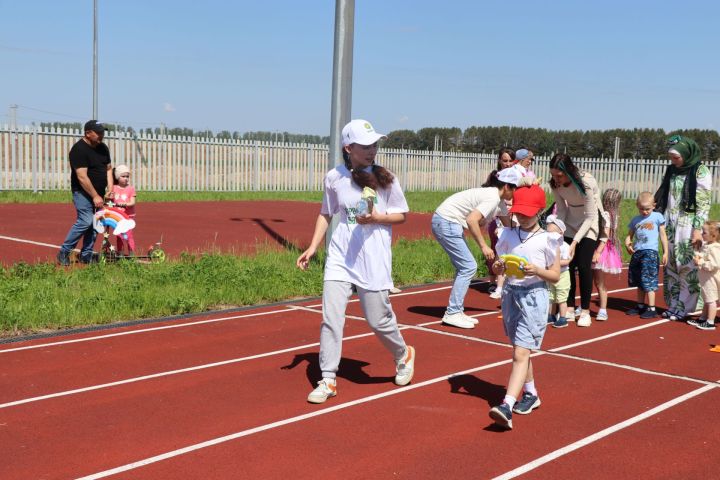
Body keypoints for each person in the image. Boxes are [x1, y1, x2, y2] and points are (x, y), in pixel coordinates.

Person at [296, 119, 415, 404]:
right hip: (340, 256)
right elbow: (326, 213)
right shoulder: (334, 177)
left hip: (372, 257)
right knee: (331, 318)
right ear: (348, 148)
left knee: (378, 319)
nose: (372, 150)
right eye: (365, 146)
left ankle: (403, 353)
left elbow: (402, 215)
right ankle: (327, 379)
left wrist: (377, 218)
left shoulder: (386, 178)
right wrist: (313, 247)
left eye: (374, 144)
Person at [488, 184, 561, 430]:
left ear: (540, 210)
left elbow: (555, 276)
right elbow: (499, 263)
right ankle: (531, 393)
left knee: (520, 352)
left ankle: (506, 405)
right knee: (522, 348)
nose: (521, 217)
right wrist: (498, 268)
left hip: (534, 296)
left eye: (527, 213)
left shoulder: (548, 239)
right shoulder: (508, 235)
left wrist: (537, 270)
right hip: (510, 294)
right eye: (518, 212)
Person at [432, 167, 521, 328]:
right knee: (468, 266)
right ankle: (452, 312)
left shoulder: (498, 201)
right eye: (515, 189)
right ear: (507, 187)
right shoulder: (492, 197)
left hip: (446, 221)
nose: (516, 194)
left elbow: (510, 226)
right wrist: (484, 246)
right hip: (446, 222)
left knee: (465, 267)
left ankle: (456, 311)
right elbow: (472, 220)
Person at [654, 135, 713, 322]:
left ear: (687, 154)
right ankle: (674, 304)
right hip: (671, 222)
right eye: (671, 158)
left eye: (676, 158)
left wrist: (697, 229)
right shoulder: (672, 170)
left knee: (686, 266)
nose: (673, 161)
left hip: (688, 225)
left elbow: (703, 203)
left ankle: (685, 306)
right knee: (671, 265)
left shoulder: (700, 171)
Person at [549, 153, 604, 327]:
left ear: (569, 171)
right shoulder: (555, 184)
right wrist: (557, 230)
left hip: (590, 223)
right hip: (570, 221)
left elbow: (590, 216)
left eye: (559, 175)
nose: (556, 178)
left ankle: (586, 310)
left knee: (583, 265)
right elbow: (562, 210)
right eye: (553, 174)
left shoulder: (586, 183)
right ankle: (570, 307)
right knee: (567, 266)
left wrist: (574, 243)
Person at [57, 120, 113, 265]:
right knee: (86, 220)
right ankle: (64, 252)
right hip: (82, 193)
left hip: (99, 194)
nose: (101, 135)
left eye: (102, 132)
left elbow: (108, 169)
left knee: (95, 224)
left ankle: (86, 255)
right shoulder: (78, 150)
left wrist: (110, 190)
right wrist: (94, 195)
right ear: (88, 133)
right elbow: (81, 176)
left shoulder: (103, 148)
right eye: (98, 132)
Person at [624, 192, 668, 319]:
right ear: (637, 206)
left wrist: (665, 252)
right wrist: (628, 243)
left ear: (654, 206)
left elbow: (663, 235)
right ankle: (640, 305)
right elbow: (629, 235)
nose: (644, 211)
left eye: (647, 209)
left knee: (648, 280)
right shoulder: (636, 220)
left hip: (650, 253)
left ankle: (652, 308)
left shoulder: (657, 217)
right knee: (639, 280)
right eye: (642, 209)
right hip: (638, 253)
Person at [485, 148, 515, 298]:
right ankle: (493, 281)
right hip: (497, 216)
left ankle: (505, 282)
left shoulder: (518, 177)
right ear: (499, 161)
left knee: (510, 249)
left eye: (510, 160)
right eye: (505, 160)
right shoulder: (495, 177)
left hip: (512, 216)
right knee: (495, 249)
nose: (508, 163)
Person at [592, 189, 623, 321]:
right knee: (596, 281)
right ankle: (601, 309)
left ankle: (603, 309)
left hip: (601, 248)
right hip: (604, 248)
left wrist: (598, 251)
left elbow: (606, 234)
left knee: (599, 282)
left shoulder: (606, 215)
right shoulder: (613, 215)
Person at [688, 221, 720, 331]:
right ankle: (703, 318)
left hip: (711, 279)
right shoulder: (707, 245)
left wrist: (700, 263)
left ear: (713, 235)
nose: (701, 234)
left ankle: (710, 322)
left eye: (704, 232)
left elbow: (715, 264)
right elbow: (701, 256)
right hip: (705, 279)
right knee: (707, 299)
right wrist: (696, 250)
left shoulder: (715, 248)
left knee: (711, 300)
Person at [545, 215, 572, 328]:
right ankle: (551, 315)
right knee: (551, 296)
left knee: (561, 297)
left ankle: (562, 318)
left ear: (561, 233)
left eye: (552, 233)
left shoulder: (565, 246)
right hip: (551, 275)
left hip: (562, 275)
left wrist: (554, 263)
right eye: (548, 233)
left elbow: (566, 261)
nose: (549, 236)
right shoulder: (548, 245)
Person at [110, 164, 137, 256]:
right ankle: (120, 254)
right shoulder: (113, 188)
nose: (126, 178)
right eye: (123, 176)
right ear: (117, 177)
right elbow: (109, 199)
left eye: (127, 176)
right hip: (117, 217)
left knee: (128, 235)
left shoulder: (130, 189)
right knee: (119, 236)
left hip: (128, 217)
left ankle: (131, 254)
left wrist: (123, 204)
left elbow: (132, 202)